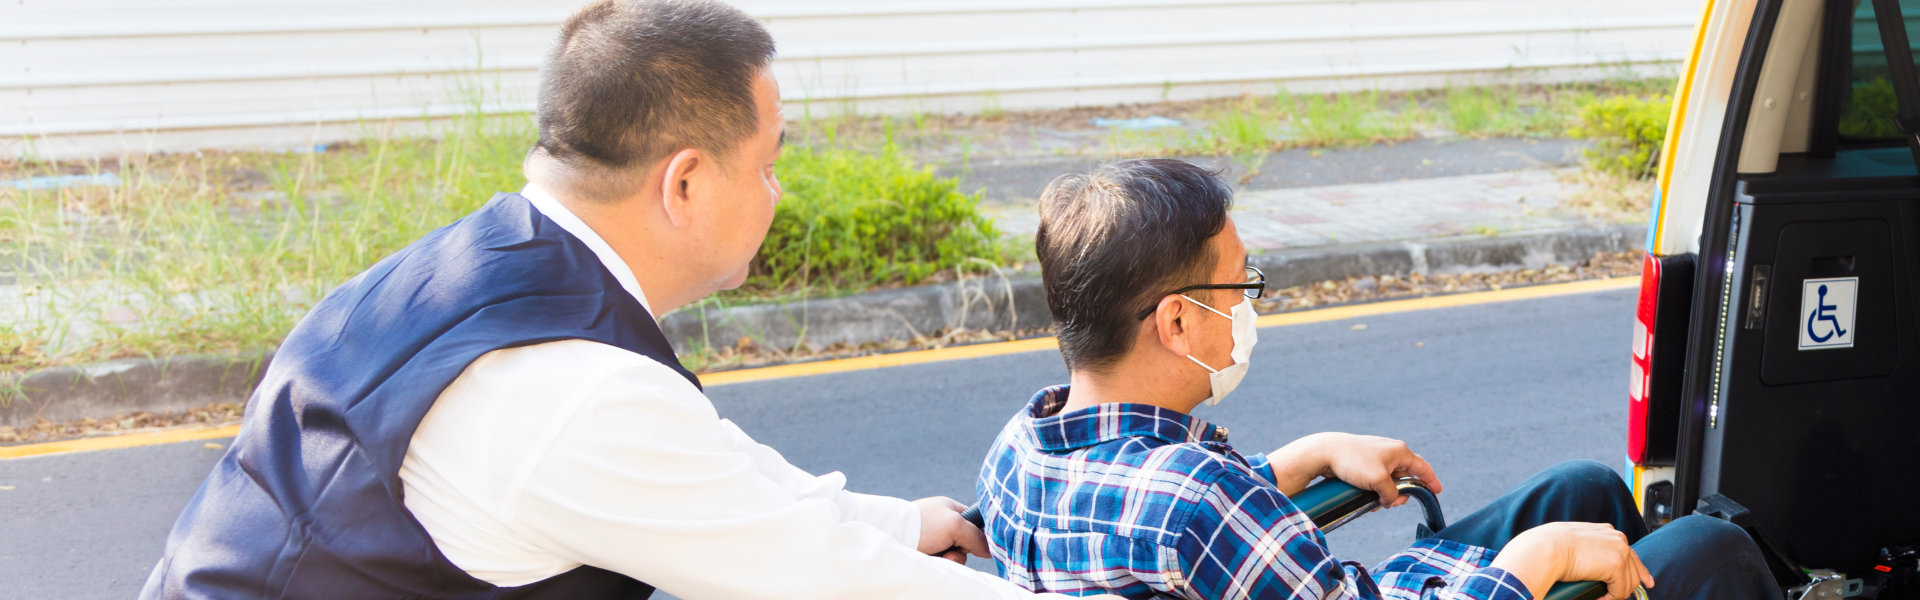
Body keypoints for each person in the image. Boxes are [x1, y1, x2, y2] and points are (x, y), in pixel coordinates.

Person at [140, 1, 1113, 598]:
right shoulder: (573, 395)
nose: (779, 193)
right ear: (684, 184)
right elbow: (814, 578)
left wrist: (904, 521)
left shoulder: (485, 262)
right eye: (770, 164)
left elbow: (718, 474)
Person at [973, 158, 1784, 600]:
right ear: (1177, 322)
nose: (1252, 307)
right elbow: (1195, 524)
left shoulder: (1020, 452)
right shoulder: (1198, 500)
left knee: (1584, 492)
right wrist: (1530, 566)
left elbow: (1153, 534)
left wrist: (1305, 455)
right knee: (1713, 551)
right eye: (1240, 288)